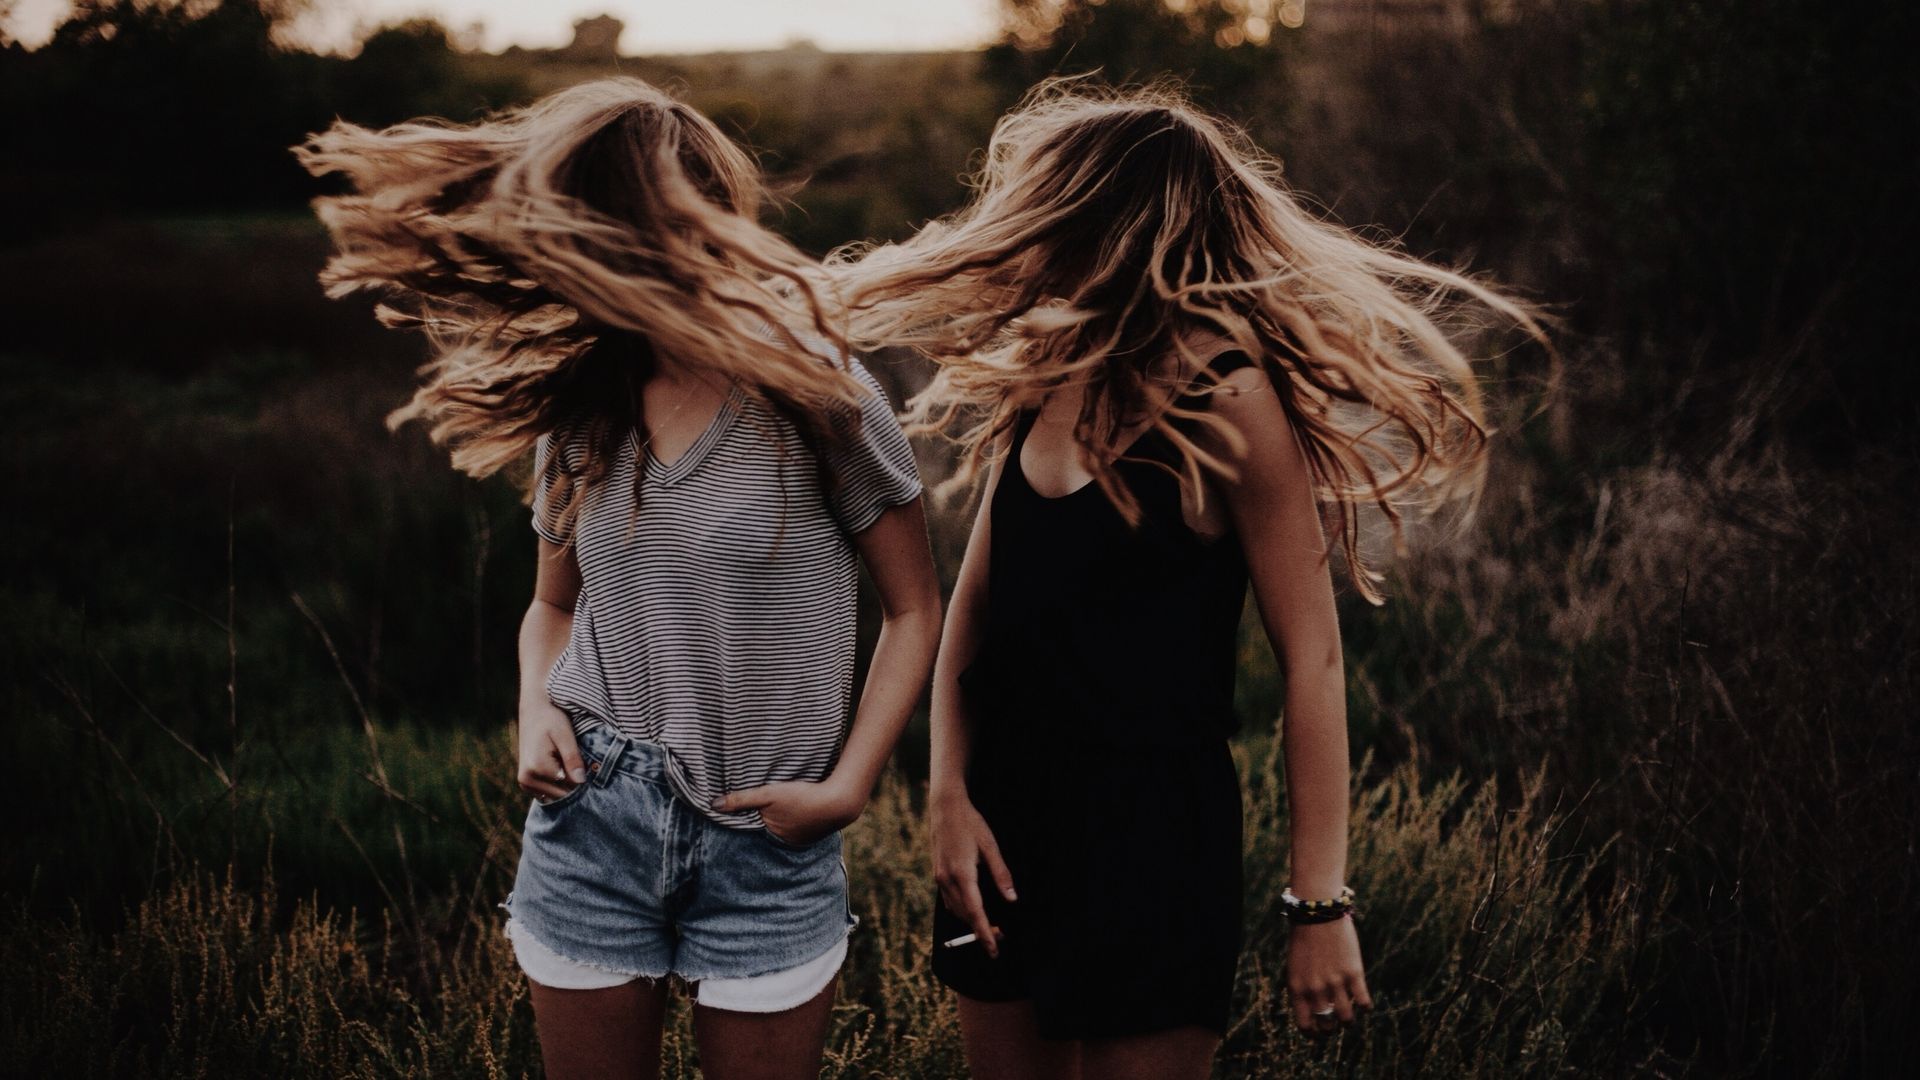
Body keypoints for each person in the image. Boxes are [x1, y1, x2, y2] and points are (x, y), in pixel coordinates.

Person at [835, 79, 1543, 1079]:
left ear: (1106, 221)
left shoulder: (1230, 395)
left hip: (1153, 842)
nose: (1023, 231)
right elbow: (975, 611)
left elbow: (1314, 661)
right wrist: (947, 795)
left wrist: (1320, 902)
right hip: (1003, 826)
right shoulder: (1051, 365)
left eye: (1047, 207)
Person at [298, 78, 942, 1080]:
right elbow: (551, 608)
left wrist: (851, 786)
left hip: (766, 837)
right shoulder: (584, 406)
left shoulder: (822, 394)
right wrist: (533, 711)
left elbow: (913, 607)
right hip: (594, 816)